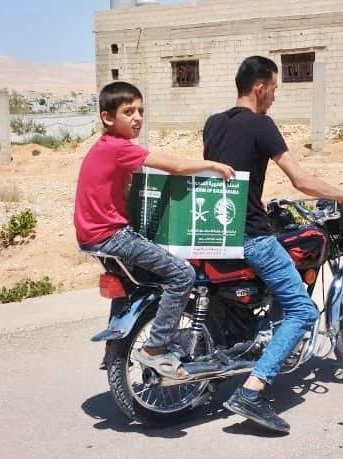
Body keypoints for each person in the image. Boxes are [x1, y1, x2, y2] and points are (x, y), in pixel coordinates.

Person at [203, 56, 343, 433]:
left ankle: (252, 343)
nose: (275, 96)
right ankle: (253, 390)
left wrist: (255, 200)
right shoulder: (261, 124)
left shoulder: (213, 123)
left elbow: (226, 176)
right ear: (260, 87)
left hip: (216, 231)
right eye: (275, 89)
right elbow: (300, 180)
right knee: (302, 310)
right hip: (251, 236)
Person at [75, 81, 234, 378]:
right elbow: (174, 166)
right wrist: (211, 165)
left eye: (140, 111)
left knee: (130, 283)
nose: (137, 117)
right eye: (128, 112)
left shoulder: (104, 146)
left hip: (91, 235)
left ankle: (113, 349)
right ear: (107, 117)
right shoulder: (119, 147)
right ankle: (155, 348)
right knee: (182, 274)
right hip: (112, 235)